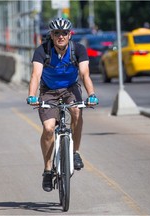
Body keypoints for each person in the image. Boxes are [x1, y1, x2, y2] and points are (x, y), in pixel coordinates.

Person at [26, 18, 99, 192]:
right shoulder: (42, 51)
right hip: (48, 91)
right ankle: (47, 169)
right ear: (51, 35)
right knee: (49, 128)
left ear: (69, 34)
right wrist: (31, 96)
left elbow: (84, 73)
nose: (60, 36)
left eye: (64, 33)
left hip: (70, 89)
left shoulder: (78, 50)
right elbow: (36, 75)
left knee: (76, 111)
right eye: (56, 33)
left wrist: (92, 95)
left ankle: (75, 153)